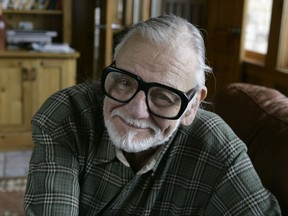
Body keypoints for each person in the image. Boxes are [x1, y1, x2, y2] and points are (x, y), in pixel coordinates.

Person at [24, 14, 281, 215]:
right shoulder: (67, 115)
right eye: (124, 82)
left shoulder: (217, 147)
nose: (135, 110)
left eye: (163, 96)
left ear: (192, 106)